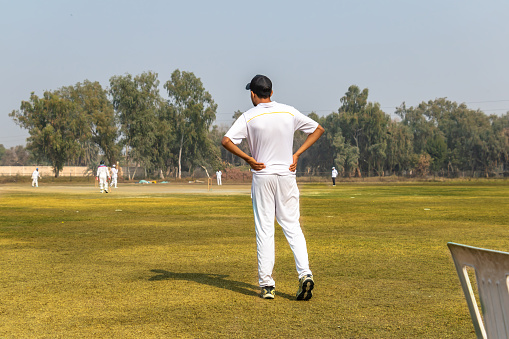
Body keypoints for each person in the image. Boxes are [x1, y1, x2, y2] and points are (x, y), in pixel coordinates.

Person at [222, 74, 324, 300]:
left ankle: (267, 285)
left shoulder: (249, 116)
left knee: (265, 228)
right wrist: (296, 153)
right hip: (287, 174)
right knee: (292, 226)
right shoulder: (289, 112)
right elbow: (318, 129)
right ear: (272, 92)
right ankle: (305, 273)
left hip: (262, 174)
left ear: (252, 94)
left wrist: (248, 159)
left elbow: (226, 141)